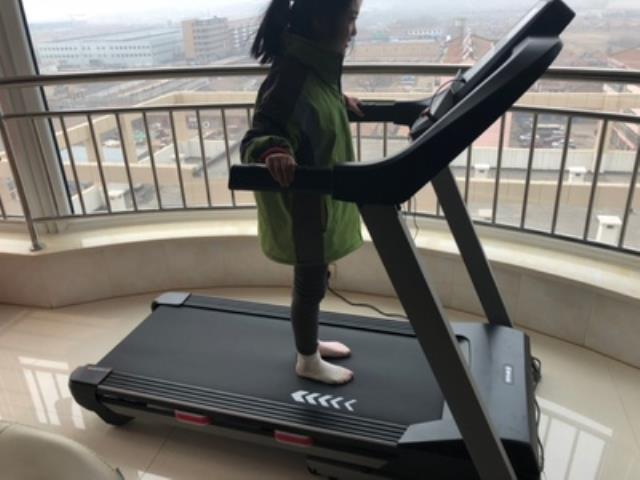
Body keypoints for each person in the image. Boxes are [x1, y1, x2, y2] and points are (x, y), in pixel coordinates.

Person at [240, 0, 364, 385]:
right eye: (350, 19)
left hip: (320, 204)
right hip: (306, 209)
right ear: (321, 21)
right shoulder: (292, 75)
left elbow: (309, 107)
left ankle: (309, 342)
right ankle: (307, 360)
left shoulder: (315, 70)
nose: (353, 30)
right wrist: (274, 150)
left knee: (315, 278)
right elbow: (260, 133)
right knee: (310, 285)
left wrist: (338, 101)